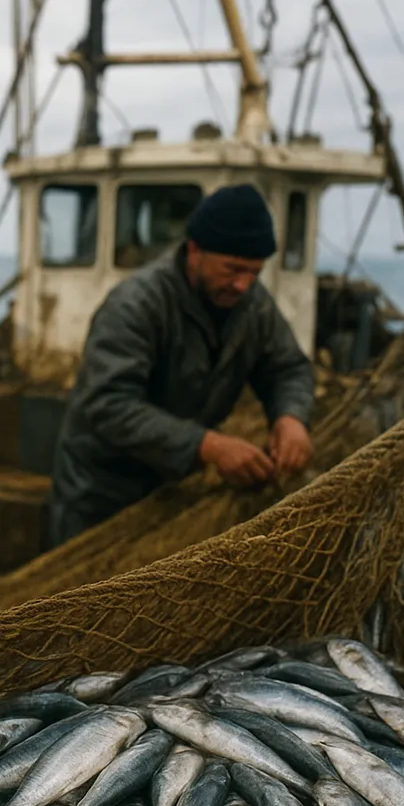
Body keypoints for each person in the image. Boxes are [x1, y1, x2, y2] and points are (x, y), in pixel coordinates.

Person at [49, 183, 315, 545]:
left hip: (170, 487)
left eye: (255, 272)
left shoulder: (253, 304)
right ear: (194, 251)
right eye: (233, 269)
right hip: (100, 494)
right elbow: (107, 403)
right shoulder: (135, 305)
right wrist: (208, 446)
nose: (243, 285)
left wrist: (291, 418)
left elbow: (288, 368)